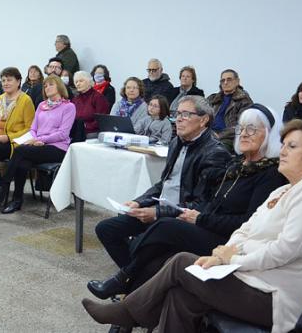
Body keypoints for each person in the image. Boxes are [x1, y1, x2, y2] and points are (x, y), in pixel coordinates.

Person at [82, 120, 302, 333]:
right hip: (250, 276)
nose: (283, 150)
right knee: (179, 296)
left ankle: (127, 311)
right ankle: (129, 310)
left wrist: (234, 258)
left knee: (181, 261)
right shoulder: (286, 189)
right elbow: (246, 229)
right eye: (284, 144)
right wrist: (222, 254)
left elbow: (286, 250)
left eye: (292, 146)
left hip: (275, 294)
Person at [89, 104, 286, 302]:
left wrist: (196, 218)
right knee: (119, 230)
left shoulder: (268, 174)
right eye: (241, 128)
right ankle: (131, 288)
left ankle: (125, 282)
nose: (243, 134)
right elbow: (169, 185)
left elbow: (247, 223)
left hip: (229, 240)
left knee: (164, 227)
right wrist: (140, 202)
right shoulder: (237, 165)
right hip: (201, 220)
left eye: (251, 129)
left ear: (269, 134)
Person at [91, 95, 230, 297]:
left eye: (186, 114)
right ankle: (137, 284)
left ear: (203, 120)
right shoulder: (176, 143)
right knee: (106, 228)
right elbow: (163, 184)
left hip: (179, 218)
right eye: (177, 114)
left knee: (146, 239)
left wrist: (157, 212)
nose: (179, 119)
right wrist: (139, 201)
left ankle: (129, 282)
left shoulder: (214, 153)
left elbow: (201, 203)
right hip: (162, 209)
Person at [0, 75, 76, 214]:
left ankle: (2, 188)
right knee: (22, 162)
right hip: (37, 145)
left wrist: (41, 140)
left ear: (59, 86)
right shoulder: (42, 105)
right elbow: (33, 129)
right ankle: (16, 200)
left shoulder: (68, 107)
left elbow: (63, 134)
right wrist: (34, 139)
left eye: (51, 85)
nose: (47, 88)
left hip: (58, 148)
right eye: (45, 86)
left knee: (20, 151)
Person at [0, 67, 35, 161]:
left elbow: (30, 129)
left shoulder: (26, 100)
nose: (5, 83)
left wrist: (8, 137)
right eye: (3, 80)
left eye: (9, 80)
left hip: (12, 143)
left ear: (18, 82)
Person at [207, 69, 253, 150]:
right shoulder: (213, 99)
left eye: (229, 79)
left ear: (237, 81)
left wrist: (219, 135)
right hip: (208, 134)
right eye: (223, 80)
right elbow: (199, 115)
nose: (225, 82)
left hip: (228, 138)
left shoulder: (244, 101)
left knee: (214, 150)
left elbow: (241, 125)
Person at [71, 70, 110, 136]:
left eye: (81, 81)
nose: (78, 84)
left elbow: (102, 120)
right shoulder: (75, 100)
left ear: (89, 81)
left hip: (92, 132)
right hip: (76, 132)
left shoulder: (98, 97)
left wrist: (84, 126)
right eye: (76, 82)